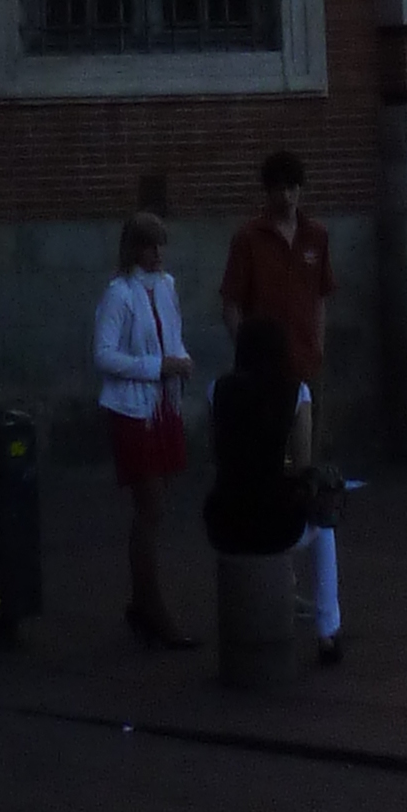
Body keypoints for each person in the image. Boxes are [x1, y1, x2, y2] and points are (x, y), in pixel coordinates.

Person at [203, 313, 342, 665]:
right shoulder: (297, 391)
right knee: (325, 525)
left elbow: (217, 452)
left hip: (225, 521)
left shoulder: (216, 389)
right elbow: (302, 461)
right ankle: (328, 631)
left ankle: (292, 602)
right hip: (275, 525)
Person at [96, 212, 195, 649]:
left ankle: (142, 603)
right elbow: (105, 356)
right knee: (149, 509)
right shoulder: (119, 295)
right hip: (133, 411)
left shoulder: (166, 287)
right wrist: (159, 367)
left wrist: (180, 360)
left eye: (160, 245)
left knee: (156, 508)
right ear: (133, 249)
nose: (157, 254)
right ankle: (152, 608)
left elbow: (172, 336)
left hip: (162, 406)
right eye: (149, 246)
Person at [218, 149, 336, 467]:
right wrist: (248, 352)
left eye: (292, 188)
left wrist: (318, 346)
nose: (286, 197)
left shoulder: (317, 236)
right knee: (266, 454)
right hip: (264, 369)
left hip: (306, 361)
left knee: (307, 456)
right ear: (267, 192)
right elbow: (231, 303)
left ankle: (306, 512)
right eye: (279, 189)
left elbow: (321, 296)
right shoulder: (248, 238)